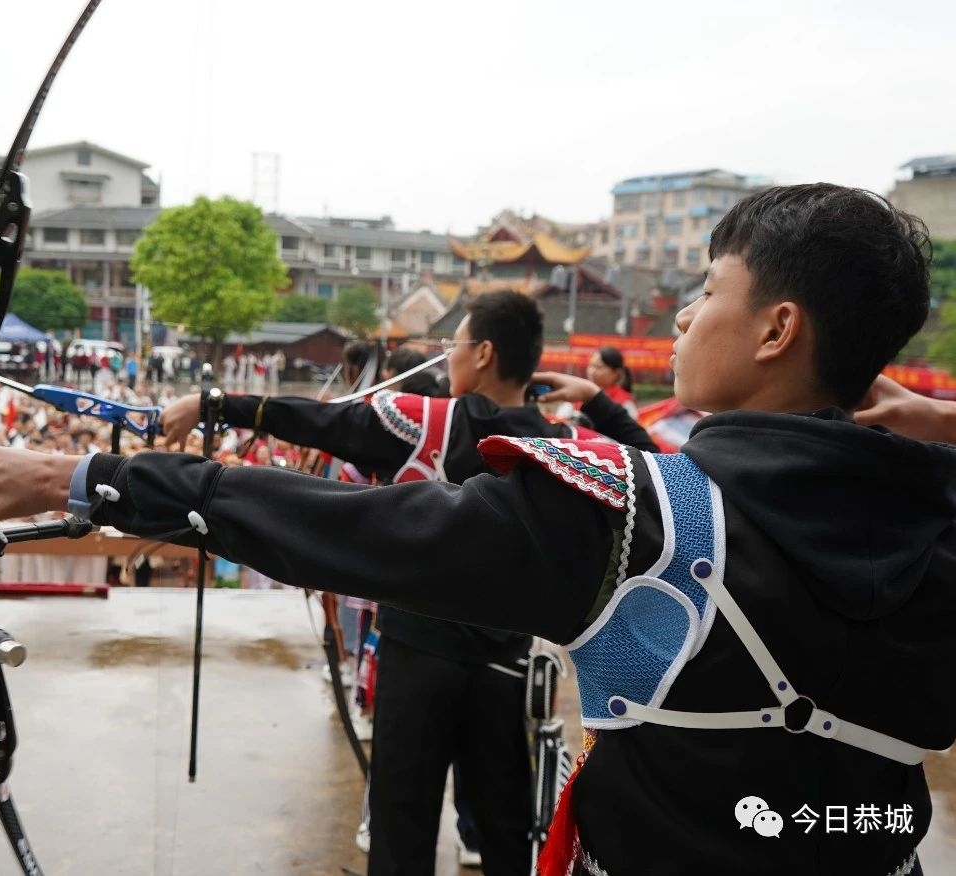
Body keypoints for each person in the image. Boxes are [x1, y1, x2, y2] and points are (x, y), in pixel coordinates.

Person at [0, 185, 955, 875]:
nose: (686, 318)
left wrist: (88, 475)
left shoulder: (645, 515)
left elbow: (352, 524)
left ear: (777, 331)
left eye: (706, 292)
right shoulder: (934, 522)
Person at [160, 291, 658, 876]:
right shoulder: (568, 448)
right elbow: (655, 474)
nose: (449, 358)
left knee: (401, 828)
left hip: (418, 658)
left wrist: (214, 402)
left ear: (485, 354)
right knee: (504, 829)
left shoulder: (431, 421)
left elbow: (324, 420)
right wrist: (598, 400)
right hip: (505, 665)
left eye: (458, 345)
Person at [586, 345, 639, 418]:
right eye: (591, 365)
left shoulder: (624, 402)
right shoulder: (580, 395)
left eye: (599, 367)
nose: (592, 371)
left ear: (616, 373)